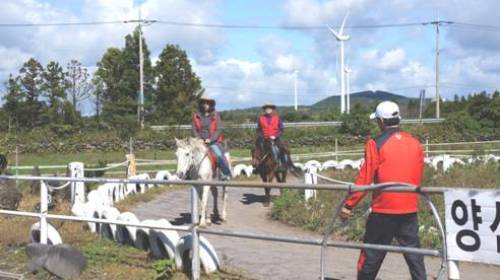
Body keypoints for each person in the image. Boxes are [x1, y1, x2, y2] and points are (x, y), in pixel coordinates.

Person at [340, 101, 427, 280]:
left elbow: (365, 178)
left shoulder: (375, 143)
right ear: (398, 119)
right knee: (415, 257)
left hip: (383, 211)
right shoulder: (415, 143)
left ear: (380, 121)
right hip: (409, 209)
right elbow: (417, 174)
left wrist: (349, 205)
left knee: (371, 255)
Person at [192, 95, 232, 180]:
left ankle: (226, 173)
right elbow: (194, 129)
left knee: (219, 155)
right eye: (203, 103)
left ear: (210, 105)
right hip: (200, 141)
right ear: (201, 104)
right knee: (188, 154)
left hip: (213, 141)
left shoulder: (215, 115)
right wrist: (199, 139)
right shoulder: (196, 115)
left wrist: (210, 139)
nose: (205, 105)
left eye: (207, 103)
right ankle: (187, 173)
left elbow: (218, 129)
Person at [256, 102, 288, 168]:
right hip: (264, 139)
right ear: (264, 110)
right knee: (256, 149)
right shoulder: (261, 119)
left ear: (272, 109)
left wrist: (275, 136)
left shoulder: (277, 118)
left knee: (282, 149)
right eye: (266, 108)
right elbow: (258, 130)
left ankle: (283, 163)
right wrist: (261, 136)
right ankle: (257, 165)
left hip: (275, 139)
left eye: (269, 108)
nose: (268, 109)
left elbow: (281, 129)